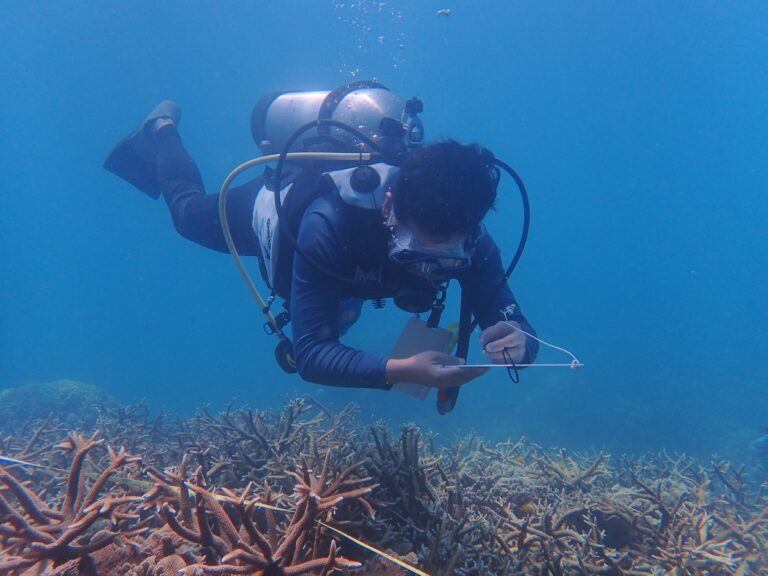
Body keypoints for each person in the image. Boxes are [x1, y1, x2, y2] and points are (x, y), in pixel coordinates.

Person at [104, 83, 538, 405]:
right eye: (413, 250)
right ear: (388, 206)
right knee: (187, 216)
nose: (424, 269)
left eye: (442, 259)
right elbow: (310, 355)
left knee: (342, 309)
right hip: (280, 216)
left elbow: (510, 315)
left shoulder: (470, 235)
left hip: (345, 268)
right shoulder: (326, 221)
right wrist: (401, 370)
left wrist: (520, 339)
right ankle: (160, 129)